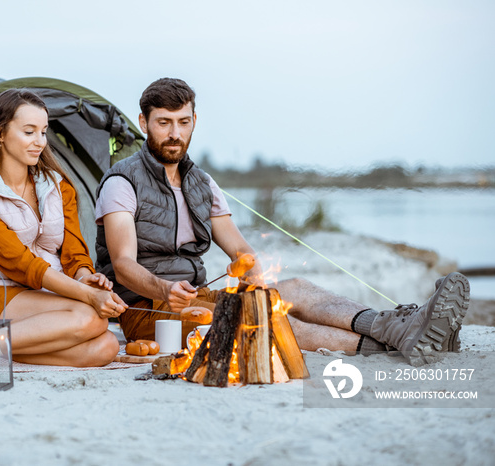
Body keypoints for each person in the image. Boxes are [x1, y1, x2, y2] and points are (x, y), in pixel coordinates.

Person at [95, 78, 470, 367]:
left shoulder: (202, 183)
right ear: (144, 122)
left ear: (195, 121)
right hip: (150, 312)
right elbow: (124, 266)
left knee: (296, 288)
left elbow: (238, 247)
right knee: (268, 320)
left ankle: (398, 327)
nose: (174, 133)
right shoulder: (121, 182)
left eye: (183, 122)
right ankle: (400, 340)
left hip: (198, 295)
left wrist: (252, 270)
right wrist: (163, 289)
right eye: (163, 123)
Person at [0, 89, 125, 367]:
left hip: (50, 292)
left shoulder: (59, 186)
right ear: (0, 133)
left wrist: (84, 275)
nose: (39, 142)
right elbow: (22, 264)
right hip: (0, 291)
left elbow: (73, 248)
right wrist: (87, 295)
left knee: (107, 346)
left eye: (43, 132)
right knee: (90, 317)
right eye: (29, 132)